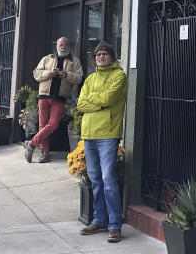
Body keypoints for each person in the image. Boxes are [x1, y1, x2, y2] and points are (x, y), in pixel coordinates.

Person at [76, 42, 128, 244]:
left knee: (109, 179)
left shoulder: (119, 76)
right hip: (89, 135)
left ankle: (115, 225)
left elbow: (109, 98)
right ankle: (99, 220)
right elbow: (81, 103)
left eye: (105, 54)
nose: (101, 57)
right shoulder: (90, 78)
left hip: (108, 134)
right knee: (95, 179)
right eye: (98, 54)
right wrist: (98, 102)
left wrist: (94, 100)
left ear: (112, 56)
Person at [26, 36, 83, 163]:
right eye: (61, 45)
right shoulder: (47, 58)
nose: (63, 47)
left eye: (66, 45)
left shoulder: (75, 61)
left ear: (69, 46)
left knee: (53, 124)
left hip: (60, 98)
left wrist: (67, 75)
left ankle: (31, 144)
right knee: (43, 125)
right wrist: (48, 73)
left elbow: (79, 78)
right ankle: (44, 152)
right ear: (56, 46)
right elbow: (36, 73)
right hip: (44, 96)